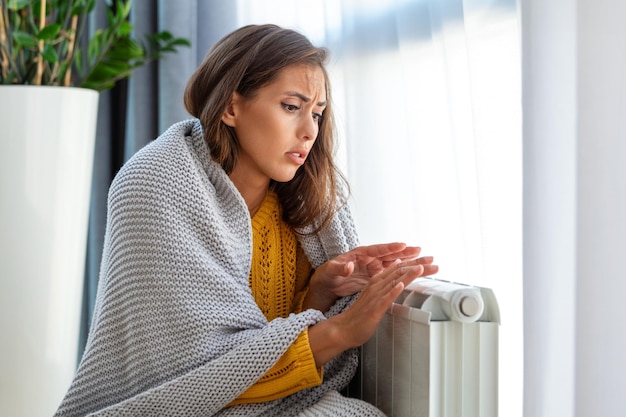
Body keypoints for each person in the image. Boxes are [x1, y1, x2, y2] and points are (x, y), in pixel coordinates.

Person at [54, 24, 438, 416]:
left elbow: (263, 344)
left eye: (318, 114)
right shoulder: (155, 187)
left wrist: (320, 295)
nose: (309, 131)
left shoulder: (311, 209)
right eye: (292, 107)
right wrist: (339, 330)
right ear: (231, 107)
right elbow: (193, 377)